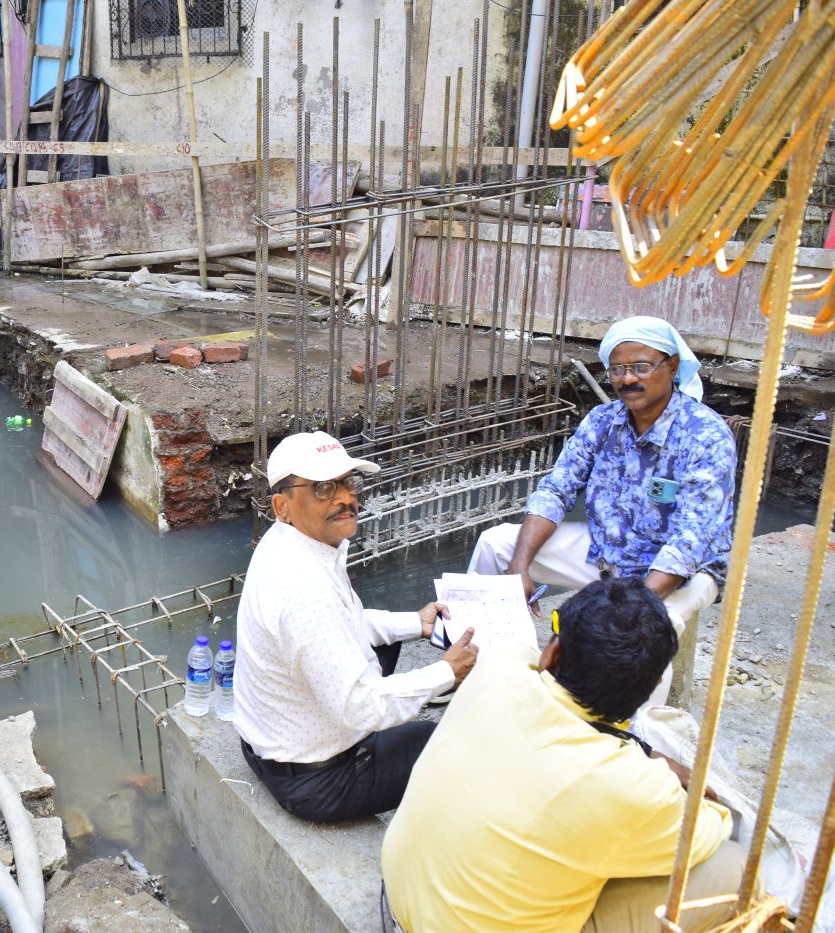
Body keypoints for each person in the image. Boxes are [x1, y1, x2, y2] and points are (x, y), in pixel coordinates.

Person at [382, 577, 747, 933]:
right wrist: (653, 767)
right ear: (649, 689)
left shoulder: (499, 666)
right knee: (734, 868)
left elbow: (526, 659)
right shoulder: (631, 786)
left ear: (552, 652)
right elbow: (712, 825)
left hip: (397, 900)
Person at [468, 316, 735, 695]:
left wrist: (621, 608)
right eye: (617, 369)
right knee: (496, 544)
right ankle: (486, 664)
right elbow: (557, 490)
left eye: (641, 367)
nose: (627, 379)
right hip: (608, 552)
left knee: (646, 637)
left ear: (672, 366)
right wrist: (519, 566)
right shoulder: (603, 421)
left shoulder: (705, 436)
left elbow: (690, 541)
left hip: (682, 573)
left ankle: (642, 736)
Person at [234, 431, 478, 823]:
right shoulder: (301, 588)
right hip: (316, 781)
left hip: (274, 739)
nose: (345, 497)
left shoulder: (295, 543)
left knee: (387, 646)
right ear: (282, 506)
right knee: (451, 745)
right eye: (323, 488)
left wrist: (415, 624)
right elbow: (358, 708)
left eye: (349, 482)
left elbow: (342, 624)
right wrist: (446, 673)